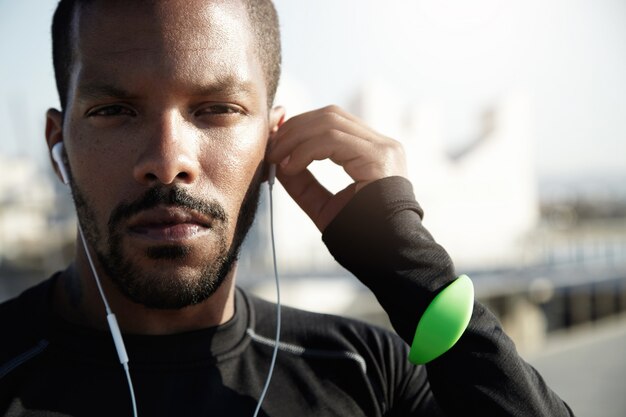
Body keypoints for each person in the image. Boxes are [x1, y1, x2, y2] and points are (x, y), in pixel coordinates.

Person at [0, 0, 573, 416]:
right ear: (59, 147)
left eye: (218, 109)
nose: (168, 160)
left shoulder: (365, 371)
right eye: (114, 112)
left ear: (276, 142)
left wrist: (414, 270)